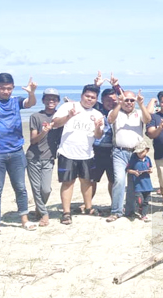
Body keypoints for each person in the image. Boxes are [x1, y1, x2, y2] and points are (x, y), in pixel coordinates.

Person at [0, 74, 39, 234]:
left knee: (20, 188)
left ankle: (24, 220)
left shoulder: (16, 101)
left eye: (9, 88)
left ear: (13, 87)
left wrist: (31, 92)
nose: (6, 91)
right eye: (3, 88)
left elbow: (30, 103)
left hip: (16, 151)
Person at [52, 84, 104, 225]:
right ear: (82, 95)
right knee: (68, 183)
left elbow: (98, 136)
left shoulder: (98, 114)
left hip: (87, 154)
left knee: (87, 182)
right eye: (87, 96)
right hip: (67, 152)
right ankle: (66, 212)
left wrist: (98, 127)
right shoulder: (69, 106)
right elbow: (55, 123)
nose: (90, 99)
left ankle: (88, 208)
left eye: (93, 97)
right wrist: (69, 116)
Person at [105, 89, 152, 222]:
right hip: (119, 152)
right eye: (127, 100)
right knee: (119, 180)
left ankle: (130, 210)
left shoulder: (139, 113)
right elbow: (110, 119)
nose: (129, 102)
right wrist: (119, 103)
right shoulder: (115, 112)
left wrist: (141, 104)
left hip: (136, 153)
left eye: (132, 100)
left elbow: (148, 119)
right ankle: (116, 211)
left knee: (133, 183)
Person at [26, 88, 63, 227]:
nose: (51, 101)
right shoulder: (36, 116)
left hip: (49, 158)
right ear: (43, 100)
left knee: (46, 189)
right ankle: (44, 213)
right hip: (33, 157)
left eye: (54, 99)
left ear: (58, 101)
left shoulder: (59, 118)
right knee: (36, 188)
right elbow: (33, 140)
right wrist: (44, 132)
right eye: (48, 98)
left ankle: (39, 209)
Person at [90, 72, 121, 202]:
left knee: (113, 180)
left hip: (113, 150)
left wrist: (117, 87)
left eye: (114, 100)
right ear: (102, 100)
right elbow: (90, 97)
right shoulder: (97, 108)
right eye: (108, 100)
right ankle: (88, 204)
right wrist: (96, 86)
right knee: (92, 179)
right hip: (96, 150)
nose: (111, 102)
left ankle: (114, 204)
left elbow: (125, 99)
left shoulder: (120, 110)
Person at [127, 141, 154, 222]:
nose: (140, 154)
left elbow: (151, 167)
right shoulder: (133, 159)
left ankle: (143, 215)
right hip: (138, 185)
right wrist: (134, 172)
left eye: (141, 152)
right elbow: (128, 169)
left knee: (146, 201)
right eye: (138, 152)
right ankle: (140, 207)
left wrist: (150, 170)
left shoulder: (148, 159)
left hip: (147, 184)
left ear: (147, 150)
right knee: (140, 200)